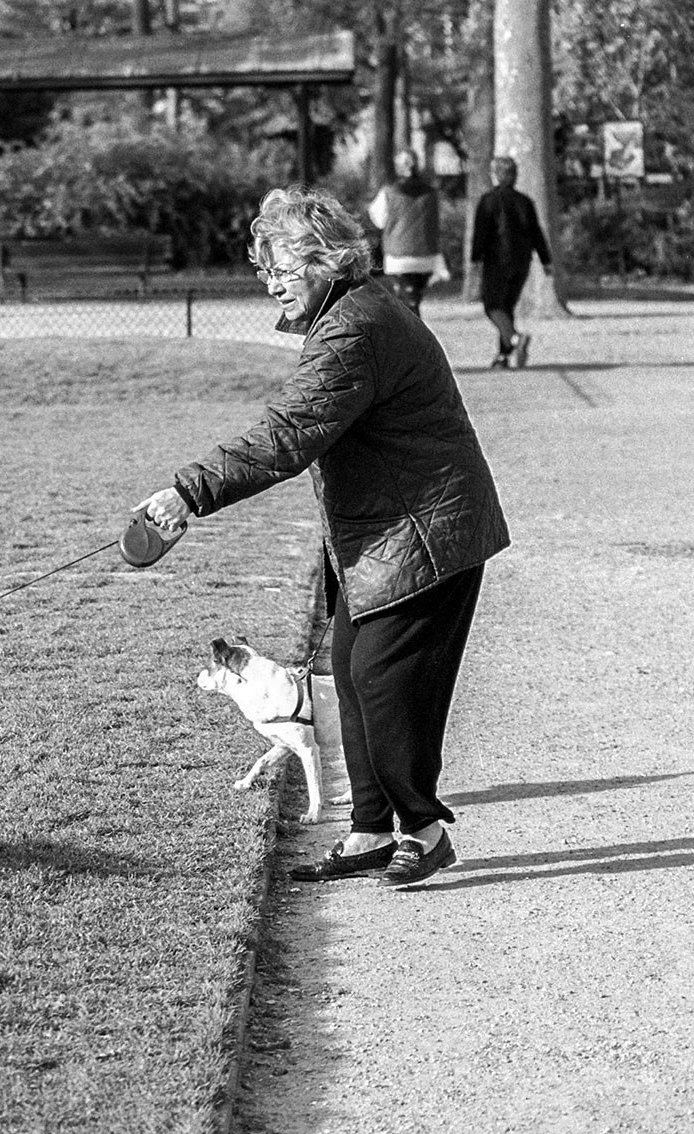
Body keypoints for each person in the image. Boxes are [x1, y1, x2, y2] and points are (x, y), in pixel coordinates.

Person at [137, 186, 509, 888]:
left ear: (326, 261)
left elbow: (287, 434)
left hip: (426, 532)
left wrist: (188, 492)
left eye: (282, 266)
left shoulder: (352, 329)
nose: (270, 282)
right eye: (264, 268)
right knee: (346, 669)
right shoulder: (350, 312)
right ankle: (370, 830)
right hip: (389, 536)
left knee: (377, 677)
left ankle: (423, 831)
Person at [470, 156, 553, 368]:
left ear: (496, 174)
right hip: (522, 261)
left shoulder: (488, 201)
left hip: (497, 260)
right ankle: (503, 356)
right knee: (506, 307)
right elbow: (536, 232)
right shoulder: (525, 202)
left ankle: (515, 339)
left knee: (493, 306)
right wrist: (546, 260)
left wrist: (475, 259)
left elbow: (481, 233)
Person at [367, 148, 441, 316]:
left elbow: (378, 219)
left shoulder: (389, 192)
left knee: (408, 302)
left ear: (398, 166)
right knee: (413, 298)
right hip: (427, 255)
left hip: (398, 255)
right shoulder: (431, 193)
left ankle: (415, 337)